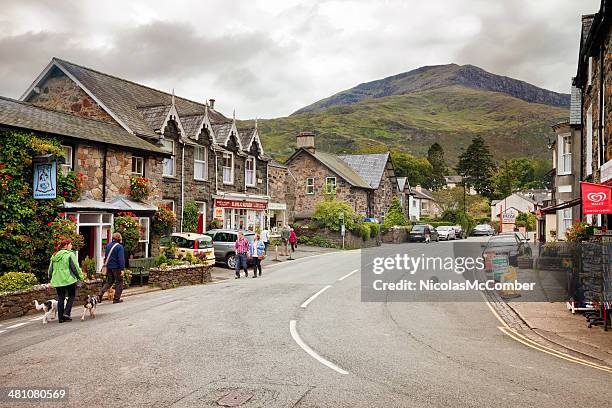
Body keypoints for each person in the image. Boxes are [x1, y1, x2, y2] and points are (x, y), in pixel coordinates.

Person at [48, 238, 84, 323]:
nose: (71, 246)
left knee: (61, 298)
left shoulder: (54, 255)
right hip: (69, 279)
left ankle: (60, 318)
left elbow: (50, 269)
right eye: (70, 244)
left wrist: (50, 277)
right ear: (66, 246)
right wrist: (81, 277)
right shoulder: (70, 254)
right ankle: (66, 313)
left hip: (57, 280)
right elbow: (75, 268)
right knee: (71, 296)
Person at [98, 232, 126, 304]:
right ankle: (116, 299)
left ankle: (100, 293)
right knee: (119, 282)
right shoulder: (119, 247)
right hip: (116, 267)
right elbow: (121, 259)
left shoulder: (108, 245)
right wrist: (122, 269)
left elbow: (106, 256)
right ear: (119, 238)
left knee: (109, 282)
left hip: (109, 267)